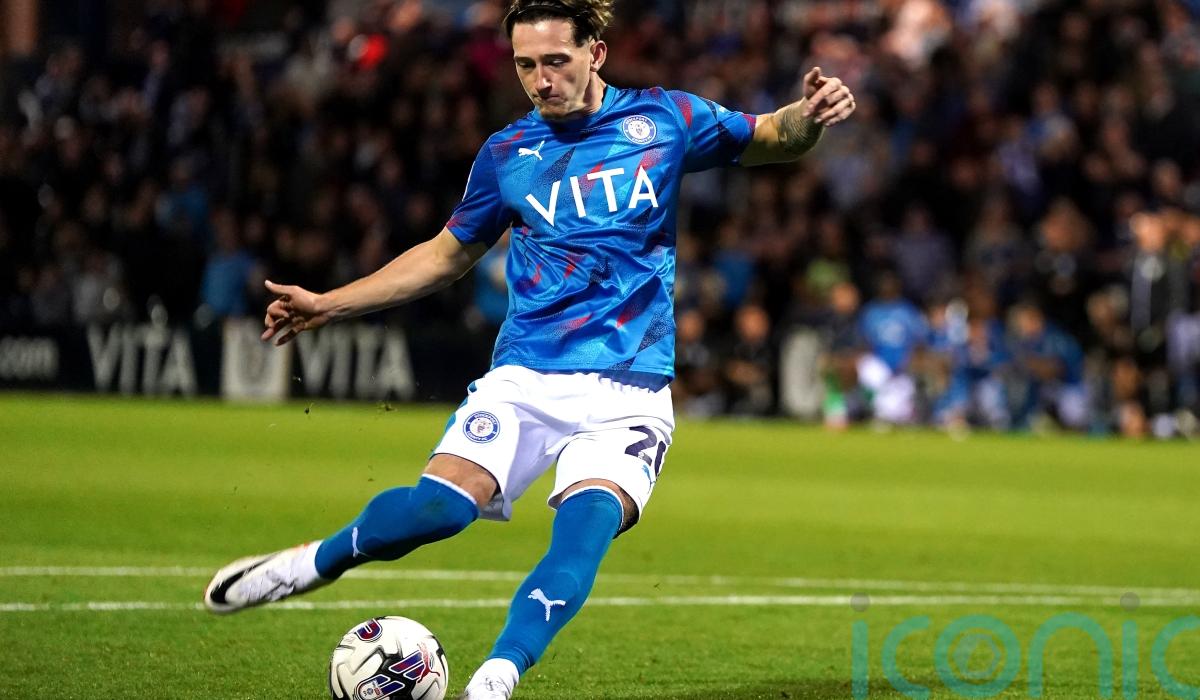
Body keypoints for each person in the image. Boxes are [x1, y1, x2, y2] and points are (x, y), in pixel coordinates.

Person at [202, 2, 856, 698]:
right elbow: (444, 257)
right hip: (527, 377)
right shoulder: (508, 154)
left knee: (581, 538)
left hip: (631, 392)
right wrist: (330, 303)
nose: (541, 80)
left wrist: (810, 114)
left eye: (555, 62)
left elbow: (772, 135)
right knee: (439, 510)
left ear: (595, 54)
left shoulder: (665, 119)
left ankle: (497, 676)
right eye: (525, 65)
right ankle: (311, 564)